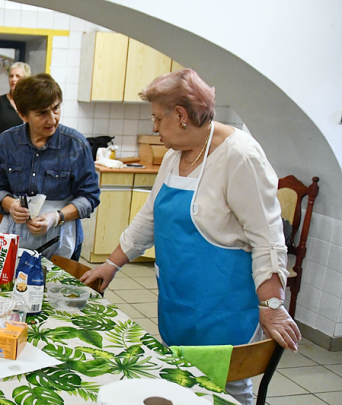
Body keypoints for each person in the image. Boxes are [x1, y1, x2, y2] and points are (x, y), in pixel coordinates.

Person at [79, 69, 300, 405]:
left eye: (157, 118)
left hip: (223, 306)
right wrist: (111, 264)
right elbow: (149, 217)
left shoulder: (239, 156)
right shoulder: (173, 156)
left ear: (180, 115)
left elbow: (267, 239)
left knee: (225, 389)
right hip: (179, 299)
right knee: (181, 380)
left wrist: (271, 305)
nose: (154, 128)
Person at [0, 73, 100, 260]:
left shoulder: (76, 145)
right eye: (42, 113)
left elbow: (89, 198)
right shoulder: (6, 143)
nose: (52, 119)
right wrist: (11, 205)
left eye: (56, 109)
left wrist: (56, 217)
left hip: (61, 239)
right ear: (23, 115)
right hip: (16, 236)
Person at [0, 62, 30, 168]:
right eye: (11, 76)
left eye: (18, 76)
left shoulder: (31, 103)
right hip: (3, 155)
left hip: (26, 155)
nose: (13, 79)